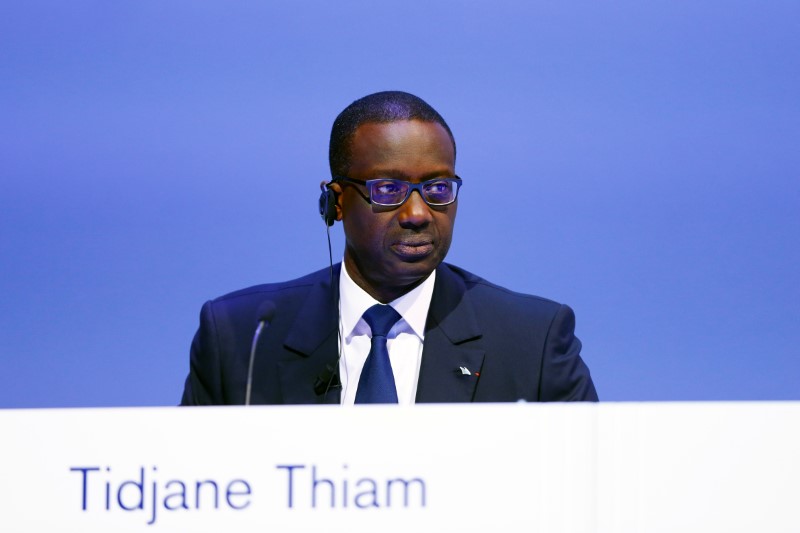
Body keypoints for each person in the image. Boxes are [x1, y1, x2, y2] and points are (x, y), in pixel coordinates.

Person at [181, 91, 597, 405]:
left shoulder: (533, 339)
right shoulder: (241, 338)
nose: (418, 213)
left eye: (437, 188)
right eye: (389, 189)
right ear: (337, 202)